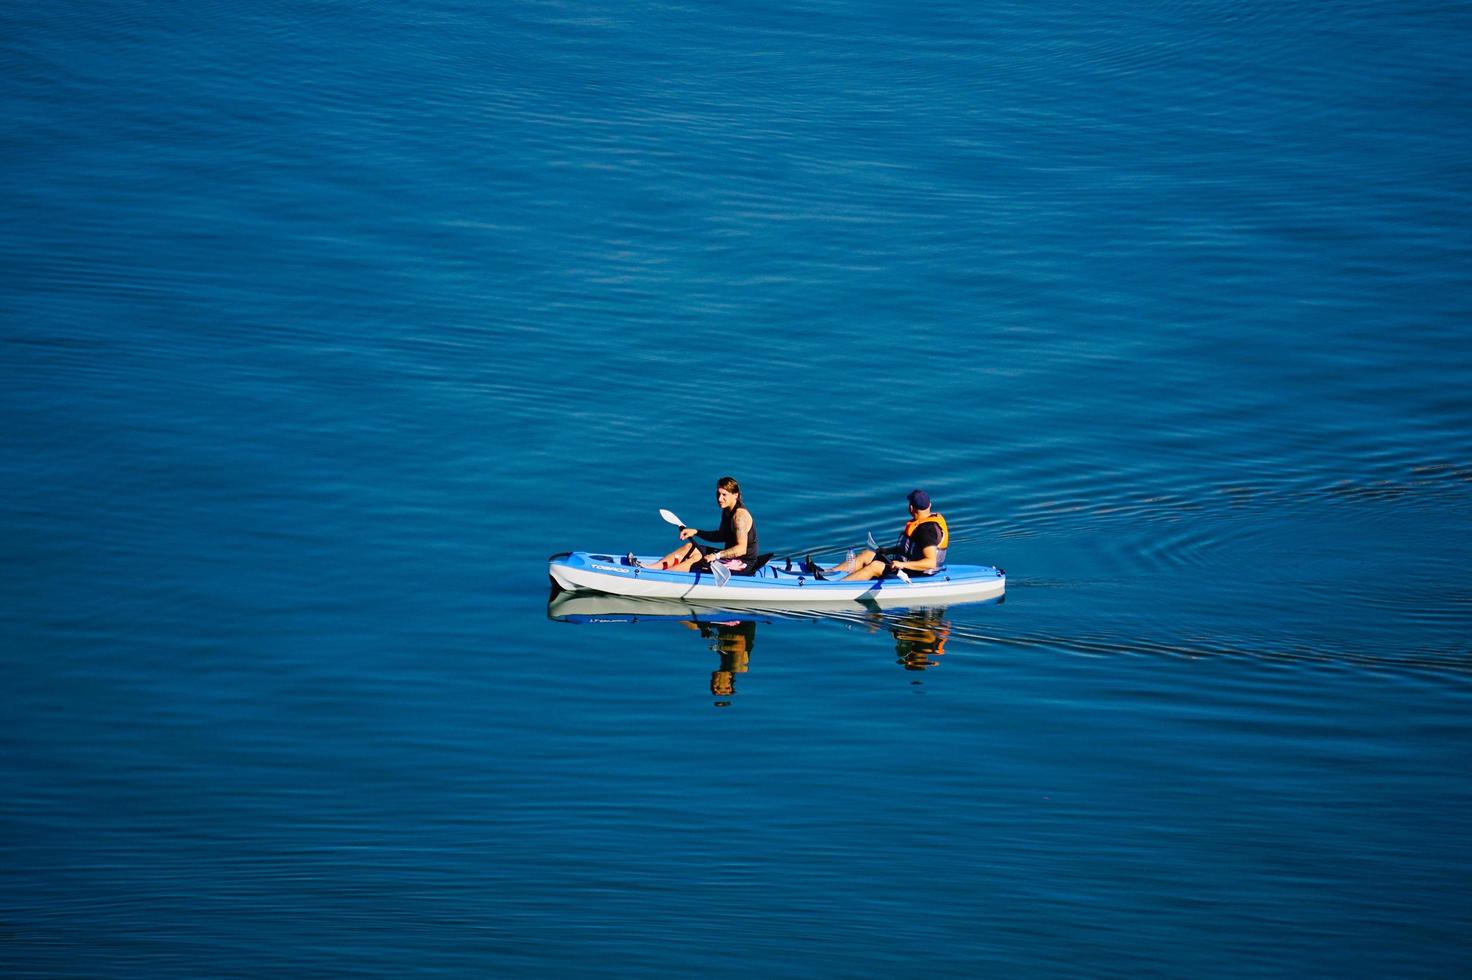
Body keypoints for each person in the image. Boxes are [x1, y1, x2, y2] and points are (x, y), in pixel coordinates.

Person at [827, 489, 948, 582]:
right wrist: (887, 550)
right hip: (907, 566)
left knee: (875, 566)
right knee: (868, 554)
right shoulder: (922, 524)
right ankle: (829, 573)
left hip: (918, 575)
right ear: (929, 505)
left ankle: (837, 587)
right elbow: (911, 548)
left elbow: (930, 562)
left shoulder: (926, 531)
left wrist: (902, 564)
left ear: (911, 508)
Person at [644, 476, 759, 573]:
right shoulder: (727, 510)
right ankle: (650, 569)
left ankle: (664, 576)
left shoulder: (739, 517)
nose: (720, 499)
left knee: (697, 557)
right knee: (690, 547)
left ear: (735, 495)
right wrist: (696, 532)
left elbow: (741, 549)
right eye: (718, 494)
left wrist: (716, 556)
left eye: (724, 495)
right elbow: (721, 536)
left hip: (743, 563)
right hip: (729, 557)